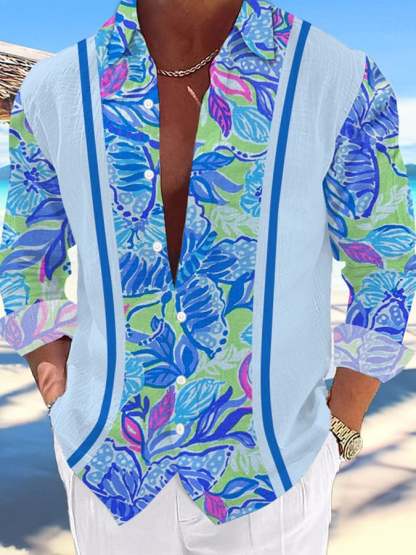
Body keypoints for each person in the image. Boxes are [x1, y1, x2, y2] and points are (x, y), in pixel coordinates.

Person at [0, 0, 415, 553]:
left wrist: (342, 425)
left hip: (272, 472)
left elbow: (386, 263)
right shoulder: (53, 91)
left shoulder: (338, 78)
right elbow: (26, 262)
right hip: (105, 468)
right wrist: (60, 396)